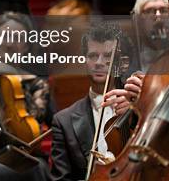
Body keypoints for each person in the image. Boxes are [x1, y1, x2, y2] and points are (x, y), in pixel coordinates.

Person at [50, 23, 142, 181]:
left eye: (107, 56)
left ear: (124, 63)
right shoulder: (63, 121)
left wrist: (139, 109)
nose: (99, 62)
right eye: (93, 56)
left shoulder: (141, 107)